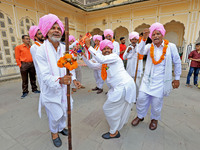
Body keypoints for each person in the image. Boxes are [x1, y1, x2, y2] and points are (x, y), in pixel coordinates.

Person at [36, 14, 81, 147]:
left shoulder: (64, 48)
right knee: (55, 114)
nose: (56, 30)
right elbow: (44, 76)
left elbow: (70, 67)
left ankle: (61, 128)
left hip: (64, 88)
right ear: (46, 31)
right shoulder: (41, 51)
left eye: (58, 28)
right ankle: (54, 133)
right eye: (52, 28)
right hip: (51, 89)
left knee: (66, 110)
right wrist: (60, 80)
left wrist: (74, 80)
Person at [131, 22, 182, 130]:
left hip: (160, 81)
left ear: (162, 34)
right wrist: (143, 39)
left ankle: (154, 119)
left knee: (156, 102)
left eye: (158, 33)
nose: (156, 36)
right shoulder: (149, 47)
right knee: (141, 98)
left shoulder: (171, 47)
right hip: (147, 80)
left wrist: (177, 78)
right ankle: (140, 116)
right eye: (153, 34)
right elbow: (140, 51)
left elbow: (177, 62)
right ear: (151, 37)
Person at [84, 38, 136, 139]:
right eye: (104, 49)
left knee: (107, 108)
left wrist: (89, 46)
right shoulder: (105, 62)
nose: (107, 50)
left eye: (109, 48)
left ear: (112, 50)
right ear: (101, 50)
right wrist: (82, 54)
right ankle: (118, 123)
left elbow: (101, 59)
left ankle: (114, 132)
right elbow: (92, 65)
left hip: (124, 85)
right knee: (117, 106)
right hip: (120, 87)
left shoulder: (114, 56)